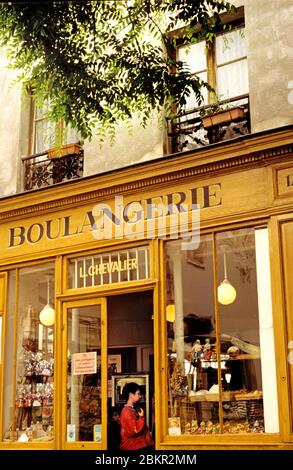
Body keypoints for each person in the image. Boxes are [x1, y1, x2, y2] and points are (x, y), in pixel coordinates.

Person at [119, 382, 154, 451]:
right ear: (131, 395)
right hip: (134, 446)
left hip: (137, 445)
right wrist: (141, 418)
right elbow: (134, 430)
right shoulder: (126, 411)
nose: (140, 396)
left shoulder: (132, 409)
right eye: (138, 393)